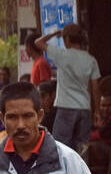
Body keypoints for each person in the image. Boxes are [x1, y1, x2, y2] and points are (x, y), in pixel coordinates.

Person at [35, 23, 100, 155]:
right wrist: (97, 111)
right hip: (84, 109)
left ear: (67, 40)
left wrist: (55, 33)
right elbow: (95, 88)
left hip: (66, 108)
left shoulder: (62, 55)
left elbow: (38, 42)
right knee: (83, 148)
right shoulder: (91, 60)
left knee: (62, 148)